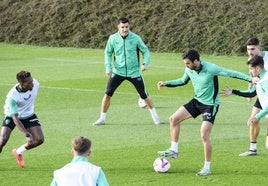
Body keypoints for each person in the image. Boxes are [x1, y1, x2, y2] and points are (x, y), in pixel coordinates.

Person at [157, 49, 253, 176]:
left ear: (196, 61)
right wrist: (166, 83)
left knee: (204, 135)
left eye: (188, 63)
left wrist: (250, 79)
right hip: (197, 101)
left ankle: (207, 167)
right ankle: (174, 150)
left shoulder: (211, 68)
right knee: (173, 119)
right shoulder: (189, 69)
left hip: (210, 105)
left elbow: (231, 73)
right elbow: (182, 81)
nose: (186, 66)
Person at [92, 17, 161, 126]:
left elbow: (145, 51)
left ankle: (156, 118)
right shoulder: (113, 38)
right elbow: (108, 53)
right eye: (122, 27)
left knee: (144, 95)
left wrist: (145, 63)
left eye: (127, 27)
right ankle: (102, 118)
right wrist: (108, 67)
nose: (125, 29)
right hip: (118, 72)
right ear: (118, 27)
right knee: (107, 94)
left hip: (134, 72)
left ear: (129, 26)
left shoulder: (136, 38)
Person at [221, 55, 268, 151]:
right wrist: (234, 91)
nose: (250, 72)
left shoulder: (265, 81)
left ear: (258, 68)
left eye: (251, 69)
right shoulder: (259, 79)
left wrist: (257, 116)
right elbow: (252, 93)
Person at [0, 70, 44, 168]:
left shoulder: (35, 83)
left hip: (28, 114)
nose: (32, 84)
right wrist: (27, 134)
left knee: (39, 139)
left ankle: (18, 152)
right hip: (12, 116)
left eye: (31, 80)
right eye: (29, 83)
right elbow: (15, 118)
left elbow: (33, 83)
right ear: (21, 84)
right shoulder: (12, 97)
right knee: (2, 140)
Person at [238, 38, 268, 156]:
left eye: (252, 49)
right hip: (262, 92)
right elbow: (252, 76)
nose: (250, 52)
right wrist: (250, 90)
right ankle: (252, 148)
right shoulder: (251, 60)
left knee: (255, 117)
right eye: (248, 49)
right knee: (253, 118)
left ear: (259, 47)